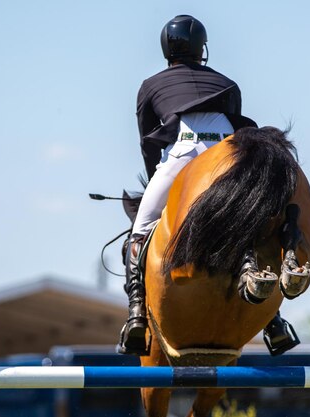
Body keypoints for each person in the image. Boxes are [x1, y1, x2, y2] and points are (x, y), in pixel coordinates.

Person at [119, 14, 300, 357]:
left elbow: (148, 143)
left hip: (182, 155)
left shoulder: (150, 85)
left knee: (140, 231)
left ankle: (136, 315)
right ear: (202, 48)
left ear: (165, 50)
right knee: (252, 225)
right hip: (229, 155)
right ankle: (273, 320)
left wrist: (158, 178)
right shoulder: (228, 85)